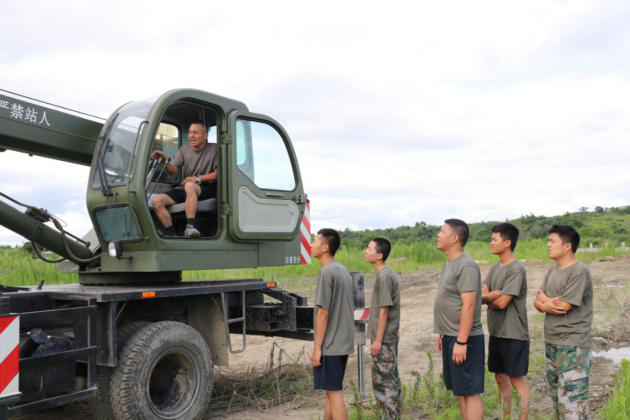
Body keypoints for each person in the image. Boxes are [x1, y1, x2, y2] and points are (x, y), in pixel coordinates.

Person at [534, 225, 593, 419]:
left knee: (572, 405)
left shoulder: (579, 271)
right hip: (552, 343)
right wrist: (544, 304)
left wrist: (544, 301)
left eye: (552, 241)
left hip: (573, 346)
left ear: (567, 246)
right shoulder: (552, 271)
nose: (548, 245)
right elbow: (536, 300)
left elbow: (564, 306)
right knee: (558, 403)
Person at [434, 219, 484, 420]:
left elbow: (469, 305)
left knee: (470, 391)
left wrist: (461, 342)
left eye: (442, 231)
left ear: (454, 237)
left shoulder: (466, 266)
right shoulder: (449, 264)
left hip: (465, 338)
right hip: (451, 336)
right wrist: (443, 333)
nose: (438, 235)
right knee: (461, 390)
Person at [482, 223, 530, 420]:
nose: (491, 243)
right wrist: (488, 297)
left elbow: (502, 303)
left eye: (495, 239)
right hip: (497, 332)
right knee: (500, 378)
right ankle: (505, 416)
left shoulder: (516, 269)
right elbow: (482, 294)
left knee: (517, 381)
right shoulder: (495, 268)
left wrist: (488, 299)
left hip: (514, 334)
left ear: (507, 243)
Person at [311, 228, 355, 420]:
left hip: (330, 344)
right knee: (330, 392)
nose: (311, 245)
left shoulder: (326, 272)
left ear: (325, 247)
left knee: (335, 395)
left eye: (314, 241)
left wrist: (317, 349)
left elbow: (323, 313)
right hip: (342, 342)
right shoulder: (342, 269)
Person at [150, 121, 218, 238]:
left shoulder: (215, 149)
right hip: (187, 188)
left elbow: (217, 174)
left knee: (189, 185)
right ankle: (173, 236)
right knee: (157, 201)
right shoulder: (184, 150)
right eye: (190, 133)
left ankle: (190, 227)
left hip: (206, 187)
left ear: (205, 135)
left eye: (195, 133)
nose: (191, 136)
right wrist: (164, 160)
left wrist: (197, 179)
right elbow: (172, 170)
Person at [364, 237, 401, 419]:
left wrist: (377, 341)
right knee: (385, 381)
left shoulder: (385, 276)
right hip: (385, 339)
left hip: (384, 340)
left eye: (369, 248)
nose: (366, 251)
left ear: (379, 255)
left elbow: (384, 310)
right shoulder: (383, 274)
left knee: (386, 385)